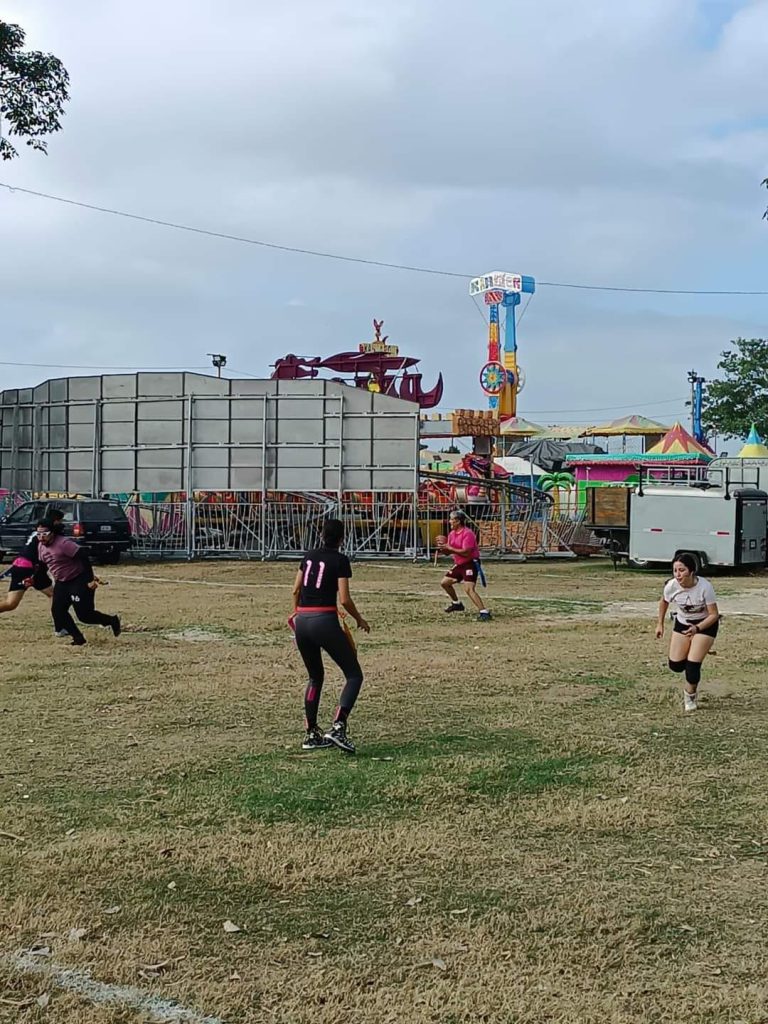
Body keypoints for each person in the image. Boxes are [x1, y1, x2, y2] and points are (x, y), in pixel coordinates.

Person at [290, 518, 370, 754]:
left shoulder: (308, 556)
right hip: (324, 619)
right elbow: (344, 599)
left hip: (303, 620)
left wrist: (296, 613)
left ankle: (311, 733)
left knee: (315, 677)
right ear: (342, 539)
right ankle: (338, 726)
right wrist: (359, 619)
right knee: (354, 675)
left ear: (321, 535)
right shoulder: (340, 560)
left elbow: (295, 589)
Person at [36, 518, 121, 646]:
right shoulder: (41, 547)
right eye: (38, 534)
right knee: (58, 611)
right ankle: (78, 638)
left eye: (44, 534)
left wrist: (90, 580)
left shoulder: (64, 544)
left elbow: (84, 558)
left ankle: (112, 620)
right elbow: (43, 566)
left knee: (85, 616)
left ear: (52, 533)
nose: (41, 537)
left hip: (78, 579)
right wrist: (34, 579)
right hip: (62, 582)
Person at [656, 553, 720, 712]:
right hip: (683, 624)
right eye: (675, 570)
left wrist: (697, 629)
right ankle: (693, 655)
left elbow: (714, 614)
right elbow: (664, 601)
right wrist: (660, 624)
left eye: (682, 570)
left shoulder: (705, 587)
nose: (678, 575)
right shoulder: (671, 586)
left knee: (692, 666)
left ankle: (690, 697)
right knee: (676, 665)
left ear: (691, 571)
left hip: (705, 625)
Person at [438, 510, 491, 621]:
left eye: (452, 519)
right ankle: (457, 604)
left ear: (458, 521)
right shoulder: (452, 534)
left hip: (470, 563)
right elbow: (449, 552)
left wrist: (449, 548)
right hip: (460, 563)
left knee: (469, 589)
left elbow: (466, 552)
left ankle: (484, 612)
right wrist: (443, 547)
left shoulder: (467, 533)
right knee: (445, 583)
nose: (449, 521)